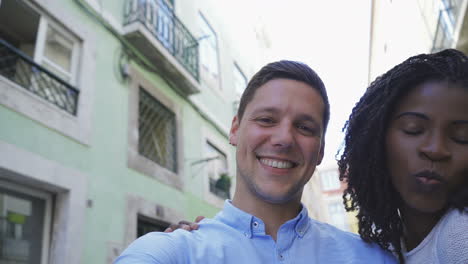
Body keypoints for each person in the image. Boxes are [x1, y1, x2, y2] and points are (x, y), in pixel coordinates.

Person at [114, 60, 396, 263]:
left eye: (305, 127)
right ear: (235, 129)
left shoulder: (371, 258)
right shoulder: (175, 253)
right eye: (266, 120)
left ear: (321, 150)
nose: (284, 138)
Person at [338, 49, 468, 263]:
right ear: (377, 140)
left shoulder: (460, 235)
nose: (436, 149)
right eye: (413, 129)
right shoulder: (391, 247)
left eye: (462, 137)